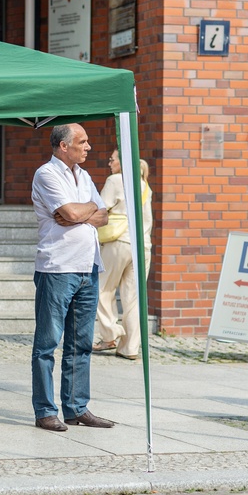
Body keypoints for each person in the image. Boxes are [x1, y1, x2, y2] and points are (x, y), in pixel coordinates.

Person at [30, 123, 114, 432]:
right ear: (64, 146)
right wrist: (81, 212)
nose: (88, 147)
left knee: (81, 344)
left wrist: (84, 209)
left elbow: (102, 216)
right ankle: (44, 410)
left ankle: (76, 407)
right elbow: (70, 212)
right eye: (83, 142)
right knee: (47, 344)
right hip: (58, 268)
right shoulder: (46, 174)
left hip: (88, 267)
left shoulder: (85, 176)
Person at [93, 152, 153, 360]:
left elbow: (100, 208)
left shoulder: (115, 180)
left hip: (118, 242)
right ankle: (130, 348)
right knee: (133, 299)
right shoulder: (144, 185)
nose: (109, 163)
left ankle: (110, 334)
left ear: (123, 161)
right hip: (142, 246)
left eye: (112, 159)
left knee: (101, 288)